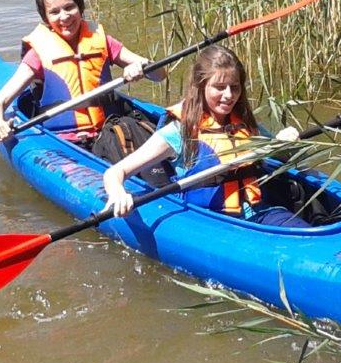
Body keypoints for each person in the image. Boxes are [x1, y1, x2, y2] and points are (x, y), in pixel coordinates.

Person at [103, 45, 311, 228]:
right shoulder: (179, 131)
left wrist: (285, 143)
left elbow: (281, 155)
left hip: (261, 213)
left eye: (234, 87)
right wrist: (118, 193)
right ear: (201, 86)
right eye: (219, 87)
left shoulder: (245, 123)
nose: (229, 95)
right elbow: (115, 172)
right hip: (210, 222)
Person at [0, 0, 162, 141]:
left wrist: (142, 66)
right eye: (54, 12)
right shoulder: (37, 54)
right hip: (62, 139)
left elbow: (160, 75)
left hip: (108, 130)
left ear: (80, 8)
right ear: (46, 18)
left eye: (69, 7)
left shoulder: (103, 42)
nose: (64, 16)